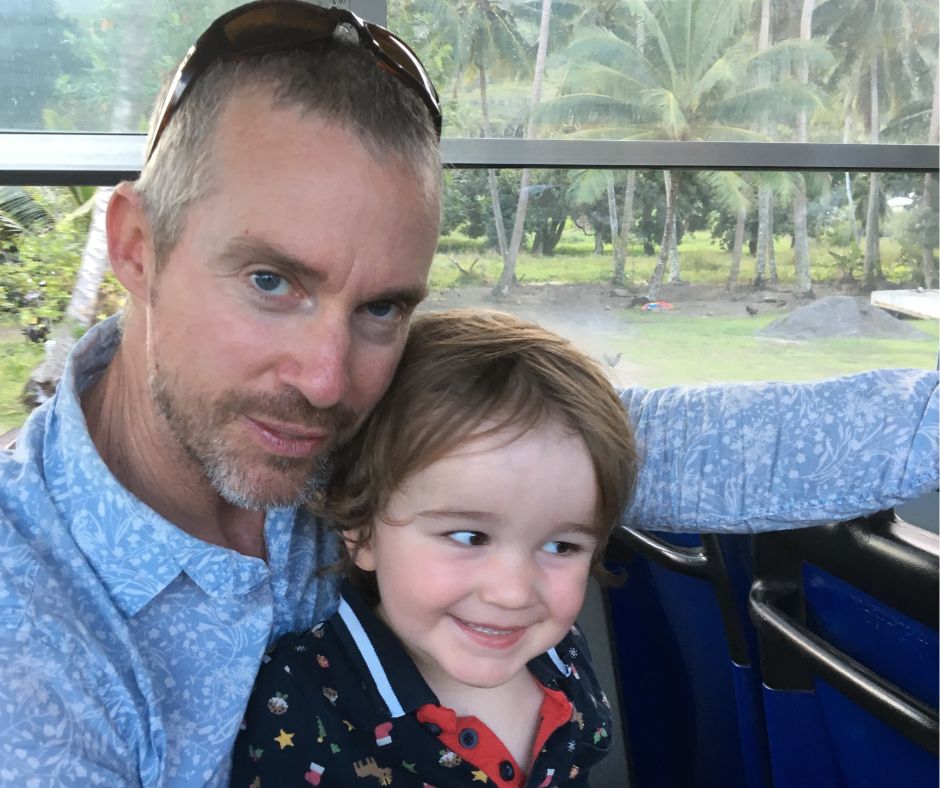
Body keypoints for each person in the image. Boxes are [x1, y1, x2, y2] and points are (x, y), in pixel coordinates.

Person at [0, 2, 935, 785]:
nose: (329, 384)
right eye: (271, 282)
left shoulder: (399, 418)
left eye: (381, 308)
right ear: (135, 248)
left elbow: (736, 448)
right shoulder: (33, 646)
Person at [231, 309, 636, 787]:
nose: (513, 593)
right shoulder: (300, 701)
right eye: (469, 537)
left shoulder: (560, 659)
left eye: (561, 545)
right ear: (361, 529)